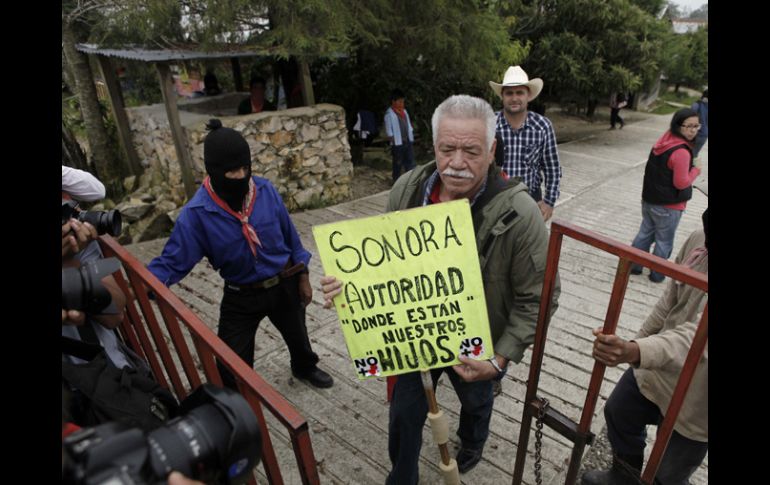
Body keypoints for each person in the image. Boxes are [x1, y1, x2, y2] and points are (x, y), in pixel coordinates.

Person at [320, 95, 559, 483]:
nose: (458, 162)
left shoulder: (521, 213)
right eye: (448, 149)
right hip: (413, 333)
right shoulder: (407, 189)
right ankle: (402, 475)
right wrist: (347, 286)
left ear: (493, 150)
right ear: (434, 147)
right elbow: (381, 263)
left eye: (471, 150)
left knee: (477, 400)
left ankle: (474, 441)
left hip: (480, 339)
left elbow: (541, 297)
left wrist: (499, 360)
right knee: (403, 414)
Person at [148, 119, 333, 390]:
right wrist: (139, 286)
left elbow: (292, 239)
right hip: (240, 295)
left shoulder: (266, 192)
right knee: (230, 365)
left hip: (284, 283)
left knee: (298, 335)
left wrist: (302, 275)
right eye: (232, 172)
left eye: (245, 168)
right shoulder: (196, 215)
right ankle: (237, 404)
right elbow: (171, 262)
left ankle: (305, 366)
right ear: (213, 171)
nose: (240, 177)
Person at [582, 209, 708, 485]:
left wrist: (636, 350)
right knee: (619, 411)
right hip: (658, 365)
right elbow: (669, 301)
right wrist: (633, 346)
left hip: (700, 396)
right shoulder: (699, 239)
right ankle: (623, 477)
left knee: (668, 474)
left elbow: (697, 338)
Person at [630, 108, 702, 283]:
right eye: (689, 126)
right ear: (678, 126)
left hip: (650, 200)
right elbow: (681, 183)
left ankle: (634, 266)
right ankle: (657, 274)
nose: (693, 130)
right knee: (664, 241)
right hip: (669, 206)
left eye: (696, 126)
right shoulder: (682, 152)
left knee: (645, 233)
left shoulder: (664, 140)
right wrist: (696, 170)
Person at [489, 65, 562, 221]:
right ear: (502, 96)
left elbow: (553, 168)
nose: (514, 98)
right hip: (495, 199)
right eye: (509, 93)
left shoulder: (542, 126)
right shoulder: (489, 124)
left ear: (528, 95)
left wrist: (549, 202)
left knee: (528, 244)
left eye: (519, 92)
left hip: (531, 199)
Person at [383, 88, 415, 184]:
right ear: (393, 101)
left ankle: (411, 181)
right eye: (399, 101)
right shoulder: (389, 114)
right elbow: (389, 131)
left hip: (407, 141)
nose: (402, 103)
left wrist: (411, 136)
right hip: (397, 143)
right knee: (398, 163)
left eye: (403, 101)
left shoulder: (404, 112)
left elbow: (408, 125)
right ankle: (396, 181)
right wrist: (392, 139)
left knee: (410, 161)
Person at [690, 89, 708, 159]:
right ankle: (694, 168)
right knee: (695, 154)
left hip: (693, 133)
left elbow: (689, 117)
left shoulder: (697, 104)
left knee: (687, 153)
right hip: (704, 135)